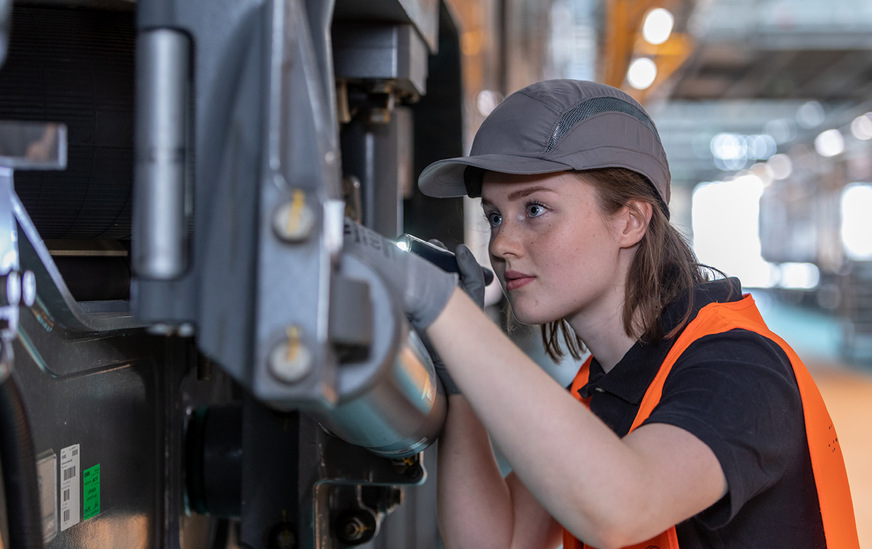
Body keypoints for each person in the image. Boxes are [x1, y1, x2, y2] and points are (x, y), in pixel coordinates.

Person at [344, 79, 859, 548]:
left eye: (535, 209)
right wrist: (459, 380)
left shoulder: (739, 368)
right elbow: (497, 541)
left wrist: (443, 310)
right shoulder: (602, 391)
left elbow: (623, 506)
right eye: (495, 216)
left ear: (630, 221)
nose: (500, 244)